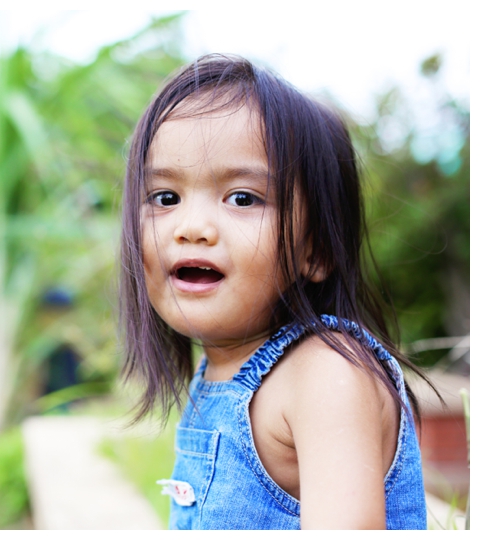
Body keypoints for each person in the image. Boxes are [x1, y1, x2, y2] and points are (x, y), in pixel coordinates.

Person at [118, 54, 430, 530]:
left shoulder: (325, 376)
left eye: (243, 198)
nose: (192, 227)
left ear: (317, 249)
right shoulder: (217, 376)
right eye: (165, 198)